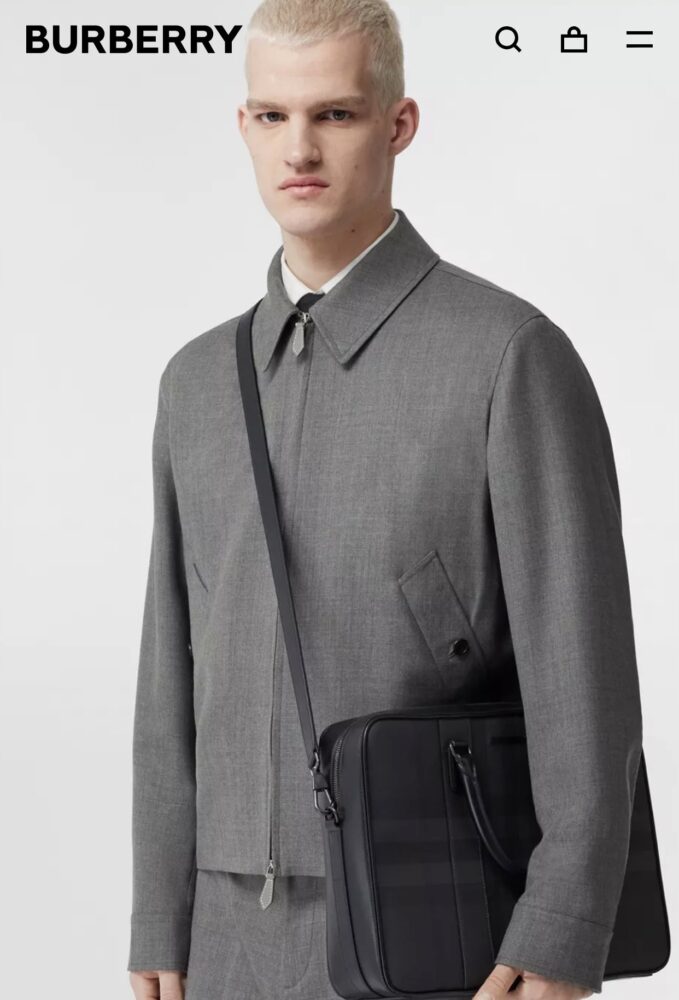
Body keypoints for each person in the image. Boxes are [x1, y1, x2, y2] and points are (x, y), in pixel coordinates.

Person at [127, 1, 643, 998]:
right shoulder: (197, 382)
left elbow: (582, 671)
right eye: (272, 116)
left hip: (439, 916)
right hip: (227, 935)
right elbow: (170, 667)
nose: (299, 149)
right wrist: (159, 910)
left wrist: (564, 923)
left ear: (398, 123)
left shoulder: (506, 356)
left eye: (335, 114)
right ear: (243, 127)